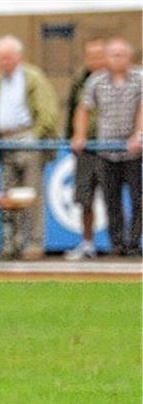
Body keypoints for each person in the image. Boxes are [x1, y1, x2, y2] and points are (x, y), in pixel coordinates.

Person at [0, 35, 59, 257]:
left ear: (18, 56)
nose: (4, 62)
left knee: (31, 193)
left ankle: (34, 243)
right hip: (4, 142)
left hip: (28, 139)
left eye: (8, 57)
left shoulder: (32, 77)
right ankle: (10, 244)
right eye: (0, 58)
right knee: (8, 196)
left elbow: (48, 112)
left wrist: (35, 135)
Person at [73, 37, 143, 256]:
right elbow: (84, 109)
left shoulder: (139, 78)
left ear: (129, 57)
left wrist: (138, 135)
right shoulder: (96, 80)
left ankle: (134, 243)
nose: (117, 59)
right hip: (106, 150)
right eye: (113, 55)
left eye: (121, 54)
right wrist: (80, 135)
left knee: (137, 198)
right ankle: (117, 244)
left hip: (133, 151)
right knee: (111, 200)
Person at [64, 39, 106, 260]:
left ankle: (123, 245)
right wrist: (69, 137)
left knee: (115, 198)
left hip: (111, 148)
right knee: (84, 197)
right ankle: (87, 243)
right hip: (86, 149)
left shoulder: (118, 80)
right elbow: (73, 110)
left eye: (99, 55)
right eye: (91, 56)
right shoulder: (80, 80)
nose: (95, 61)